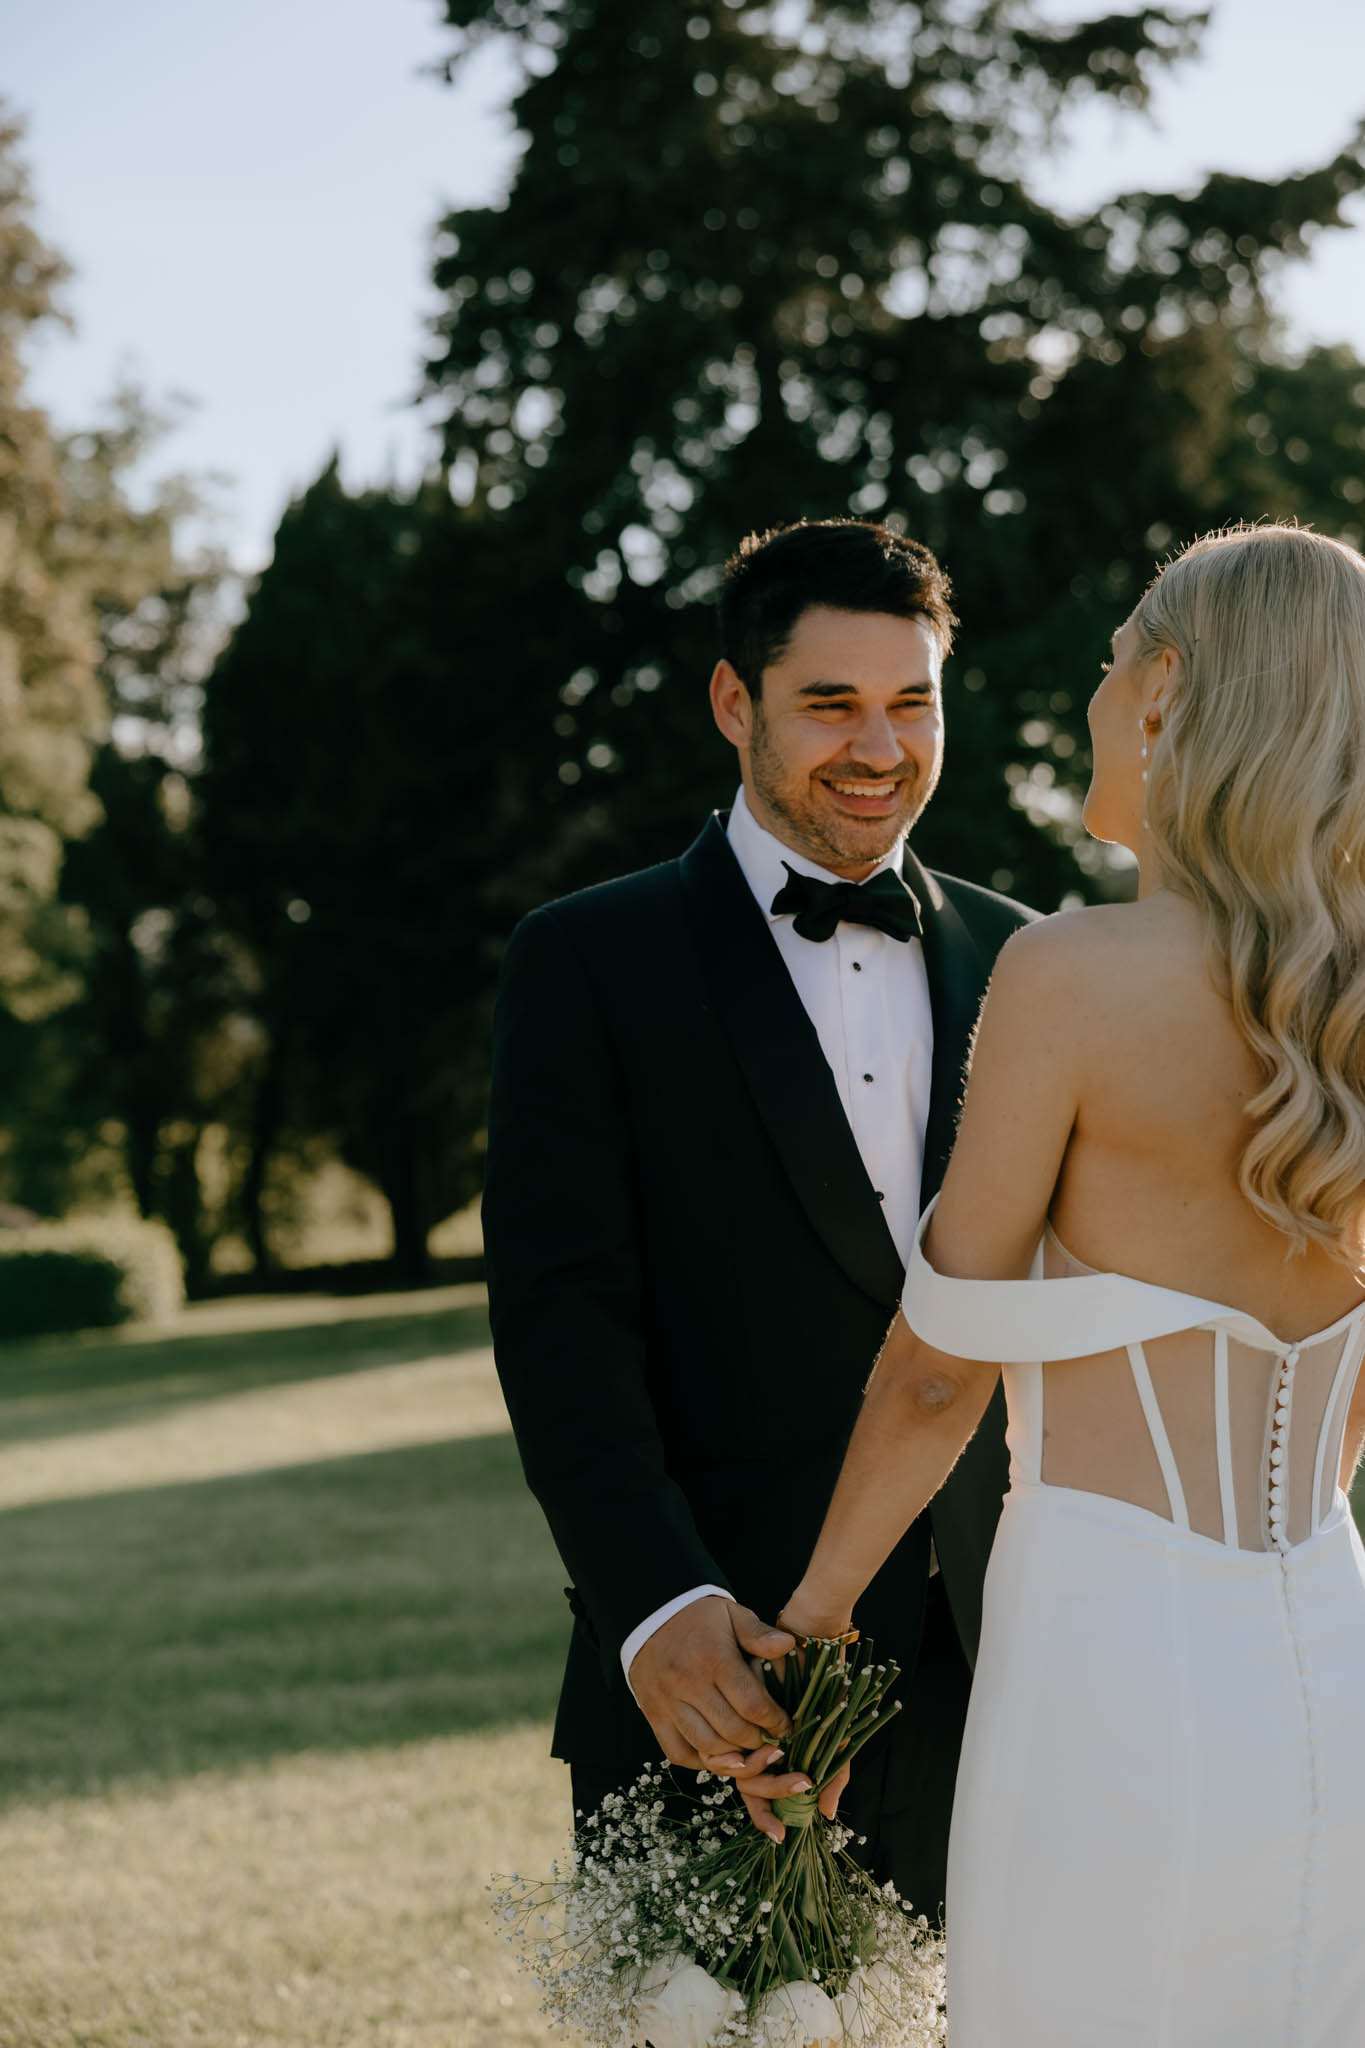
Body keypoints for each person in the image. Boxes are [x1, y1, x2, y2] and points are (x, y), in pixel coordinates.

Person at [766, 522, 1365, 2043]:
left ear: (1162, 694)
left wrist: (816, 1628)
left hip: (1109, 1660)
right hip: (1331, 1638)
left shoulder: (1070, 976)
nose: (1090, 698)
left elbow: (933, 1369)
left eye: (1108, 667)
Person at [482, 517, 1035, 1918]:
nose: (879, 746)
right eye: (829, 705)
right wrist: (658, 1613)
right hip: (708, 1678)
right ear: (735, 703)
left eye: (912, 702)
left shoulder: (1030, 961)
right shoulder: (586, 963)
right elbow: (561, 1332)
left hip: (1015, 1673)